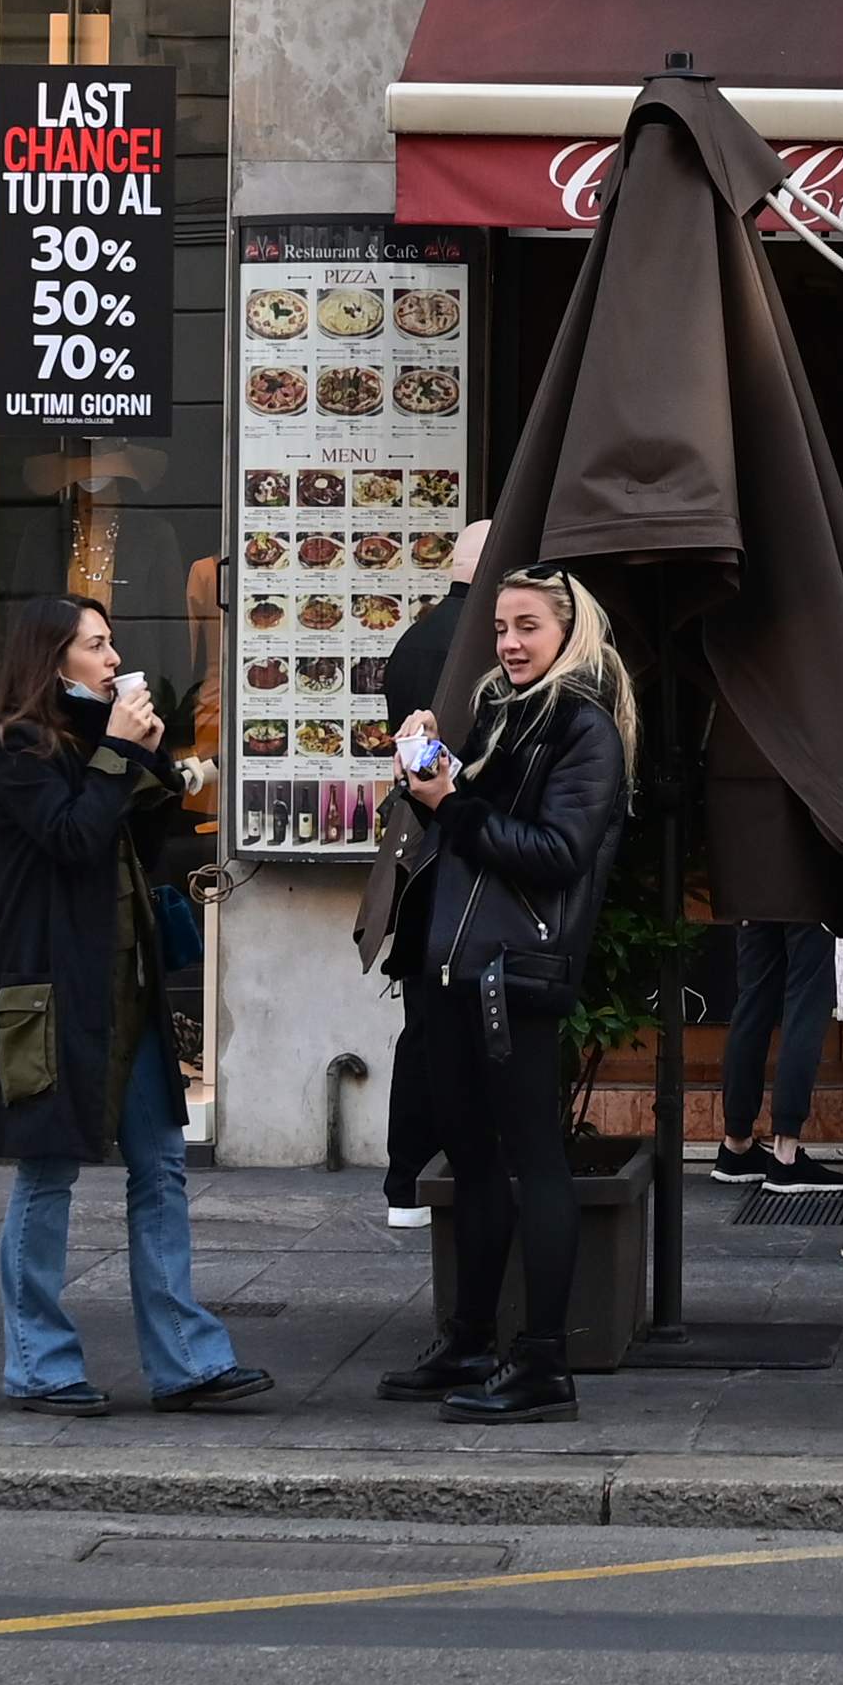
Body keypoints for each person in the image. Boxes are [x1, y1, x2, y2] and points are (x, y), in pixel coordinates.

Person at [0, 593, 269, 1418]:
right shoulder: (15, 749)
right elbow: (70, 838)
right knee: (48, 1171)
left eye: (112, 645)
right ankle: (39, 1364)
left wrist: (149, 758)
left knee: (162, 1165)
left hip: (128, 985)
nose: (113, 660)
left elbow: (137, 843)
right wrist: (114, 751)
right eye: (97, 646)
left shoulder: (95, 738)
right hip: (54, 990)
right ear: (52, 659)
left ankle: (186, 1361)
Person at [373, 570, 631, 1425]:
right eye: (500, 627)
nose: (510, 643)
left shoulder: (583, 726)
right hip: (455, 965)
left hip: (516, 974)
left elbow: (558, 852)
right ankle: (470, 1338)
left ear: (570, 631)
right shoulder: (503, 707)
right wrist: (432, 770)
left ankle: (544, 1363)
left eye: (527, 627)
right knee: (474, 1158)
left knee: (532, 1161)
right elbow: (472, 820)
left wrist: (450, 800)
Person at [369, 518, 486, 1228]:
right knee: (457, 1025)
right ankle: (431, 1176)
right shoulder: (478, 647)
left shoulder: (415, 637)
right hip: (456, 848)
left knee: (421, 1021)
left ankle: (406, 1178)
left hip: (412, 853)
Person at [707, 916, 843, 1192]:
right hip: (809, 889)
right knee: (806, 1006)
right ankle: (786, 1152)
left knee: (752, 1003)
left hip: (754, 888)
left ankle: (736, 1144)